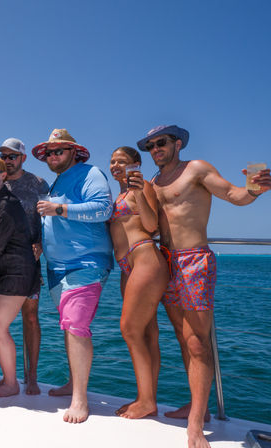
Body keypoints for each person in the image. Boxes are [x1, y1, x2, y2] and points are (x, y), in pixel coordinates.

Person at [137, 125, 271, 448]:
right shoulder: (153, 184)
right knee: (184, 341)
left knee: (198, 343)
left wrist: (253, 189)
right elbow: (151, 225)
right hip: (166, 263)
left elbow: (233, 195)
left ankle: (195, 424)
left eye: (161, 143)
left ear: (177, 143)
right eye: (150, 145)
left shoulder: (196, 169)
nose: (155, 149)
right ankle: (201, 408)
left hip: (195, 261)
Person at [33, 129, 113, 423]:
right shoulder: (58, 181)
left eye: (59, 151)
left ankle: (80, 399)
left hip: (85, 262)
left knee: (77, 325)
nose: (53, 157)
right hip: (56, 267)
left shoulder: (90, 173)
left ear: (73, 152)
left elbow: (104, 209)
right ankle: (72, 383)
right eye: (50, 153)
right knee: (69, 326)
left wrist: (60, 208)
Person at [0, 138, 49, 395]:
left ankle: (30, 377)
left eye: (12, 156)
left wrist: (41, 243)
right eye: (3, 155)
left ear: (22, 158)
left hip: (25, 260)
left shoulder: (37, 184)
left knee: (29, 317)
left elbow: (48, 220)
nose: (8, 159)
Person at [108, 146, 168, 419]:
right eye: (112, 162)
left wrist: (138, 192)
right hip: (127, 266)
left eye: (122, 161)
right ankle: (147, 397)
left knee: (130, 329)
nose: (115, 165)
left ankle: (145, 400)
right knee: (146, 332)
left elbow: (152, 224)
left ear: (136, 164)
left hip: (144, 257)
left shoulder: (142, 187)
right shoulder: (119, 193)